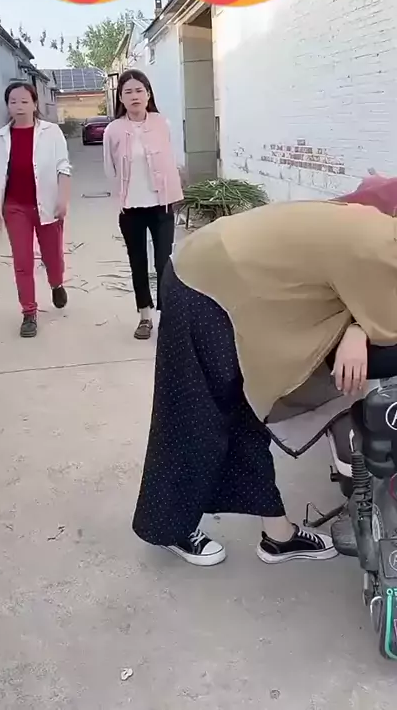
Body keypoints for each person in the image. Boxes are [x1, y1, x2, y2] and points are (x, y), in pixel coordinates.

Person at [132, 195, 397, 567]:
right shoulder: (381, 250)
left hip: (232, 276)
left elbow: (366, 301)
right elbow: (386, 329)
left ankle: (279, 536)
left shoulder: (380, 229)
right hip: (205, 283)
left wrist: (357, 329)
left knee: (246, 409)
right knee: (195, 414)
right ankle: (169, 528)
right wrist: (362, 331)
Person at [103, 70, 183, 340]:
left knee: (164, 264)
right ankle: (145, 316)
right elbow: (109, 168)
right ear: (121, 98)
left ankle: (167, 316)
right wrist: (121, 196)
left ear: (148, 94)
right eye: (128, 92)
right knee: (138, 262)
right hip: (131, 209)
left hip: (161, 205)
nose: (134, 96)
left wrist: (173, 192)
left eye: (139, 90)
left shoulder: (162, 123)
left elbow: (171, 159)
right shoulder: (113, 130)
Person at [0, 81, 71, 338]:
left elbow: (63, 167)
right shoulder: (1, 137)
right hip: (15, 207)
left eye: (25, 101)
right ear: (7, 105)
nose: (19, 106)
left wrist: (63, 199)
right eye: (13, 101)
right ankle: (28, 313)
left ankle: (56, 283)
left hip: (47, 204)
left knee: (52, 257)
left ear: (35, 104)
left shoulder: (51, 132)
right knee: (22, 260)